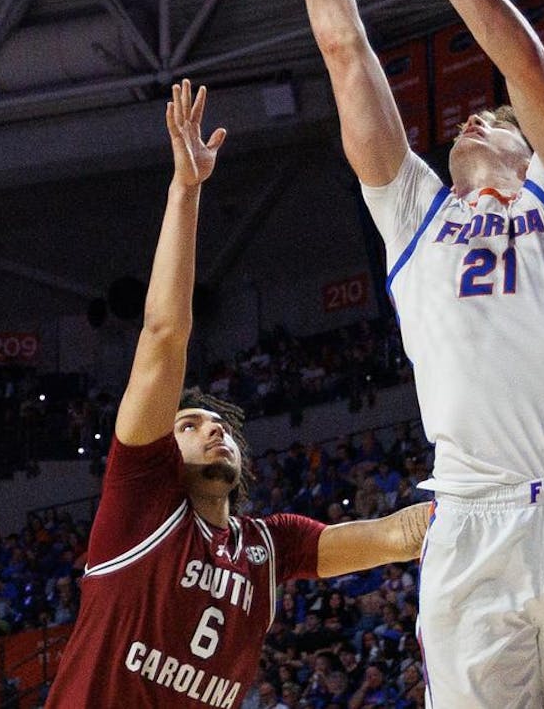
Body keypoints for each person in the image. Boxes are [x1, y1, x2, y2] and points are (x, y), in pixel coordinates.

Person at [260, 0, 544, 704]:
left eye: (493, 118)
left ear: (528, 149)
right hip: (469, 517)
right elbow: (345, 53)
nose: (471, 114)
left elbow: (524, 61)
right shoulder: (415, 217)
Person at [43, 81, 427, 708]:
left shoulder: (270, 547)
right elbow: (165, 335)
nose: (212, 428)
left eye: (217, 424)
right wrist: (186, 190)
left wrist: (506, 506)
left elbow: (399, 535)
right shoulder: (141, 504)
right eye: (190, 424)